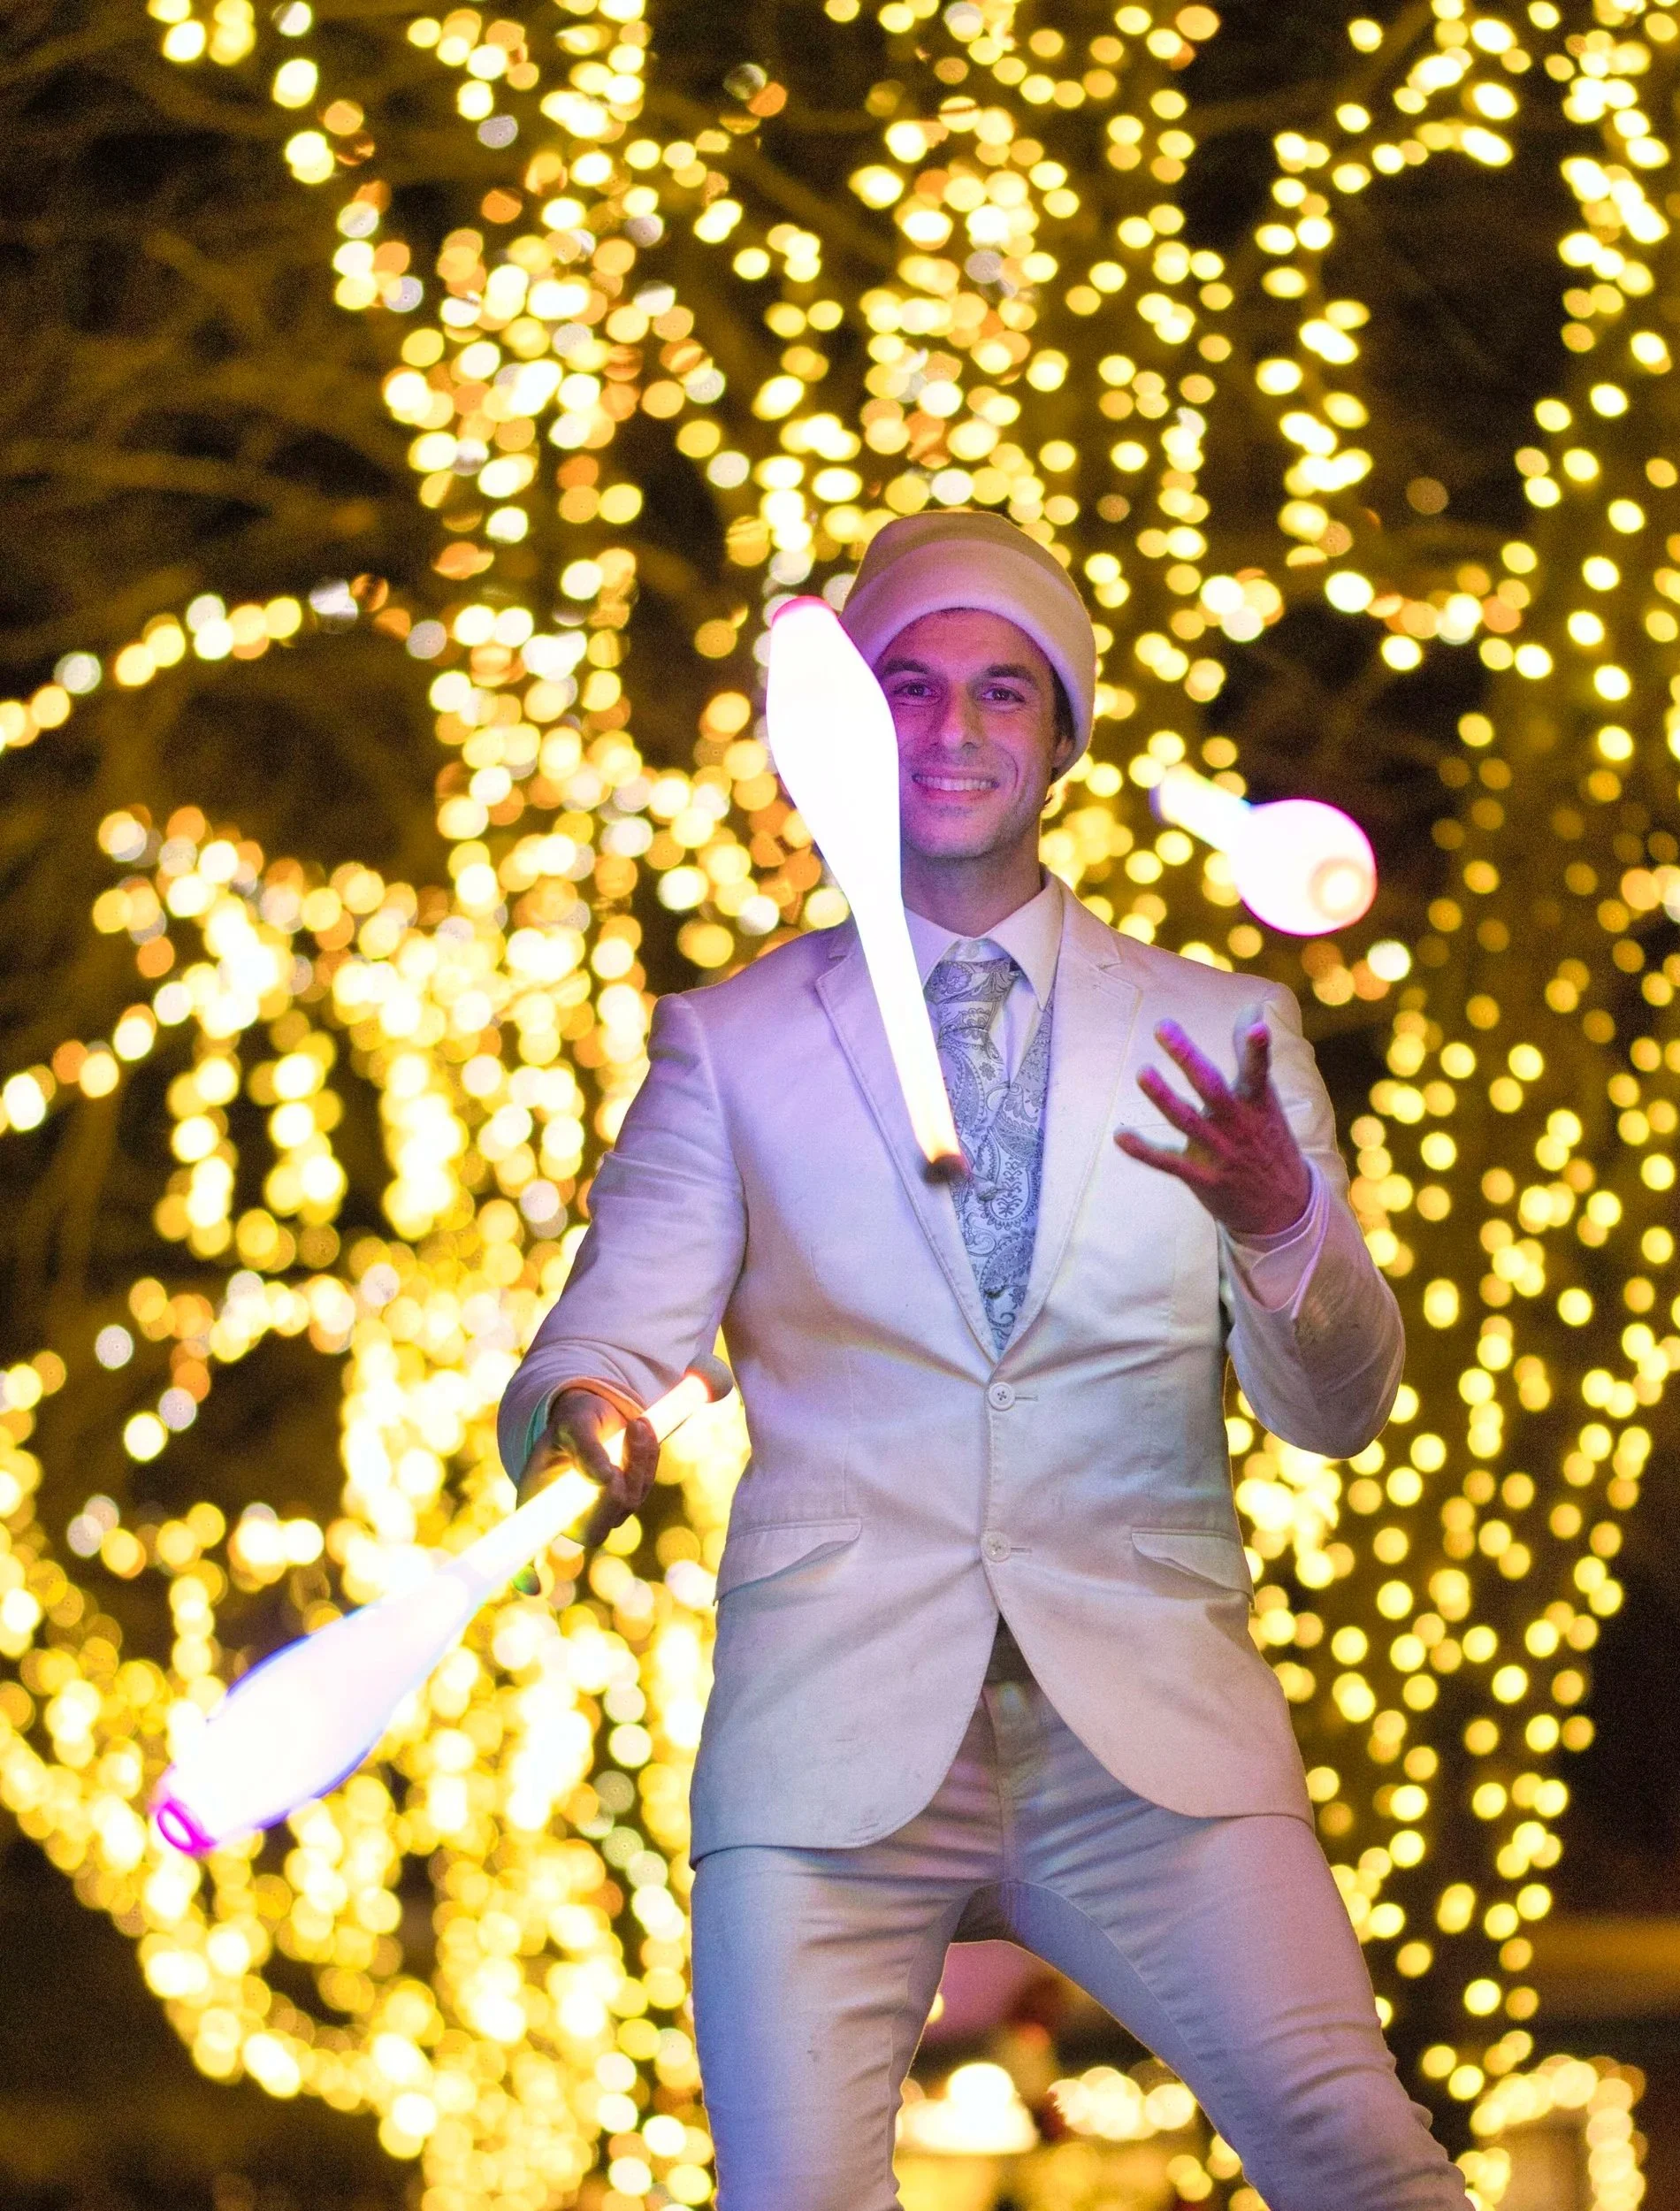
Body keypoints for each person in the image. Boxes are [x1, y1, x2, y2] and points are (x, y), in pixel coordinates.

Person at [499, 509, 1469, 2208]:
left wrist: (1282, 1217)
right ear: (853, 727)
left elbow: (1338, 1412)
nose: (954, 732)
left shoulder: (1224, 1030)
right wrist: (587, 1413)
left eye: (1004, 693)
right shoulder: (728, 1045)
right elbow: (605, 1334)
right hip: (834, 1732)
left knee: (1368, 2166)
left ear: (1064, 736)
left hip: (1153, 1725)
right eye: (911, 688)